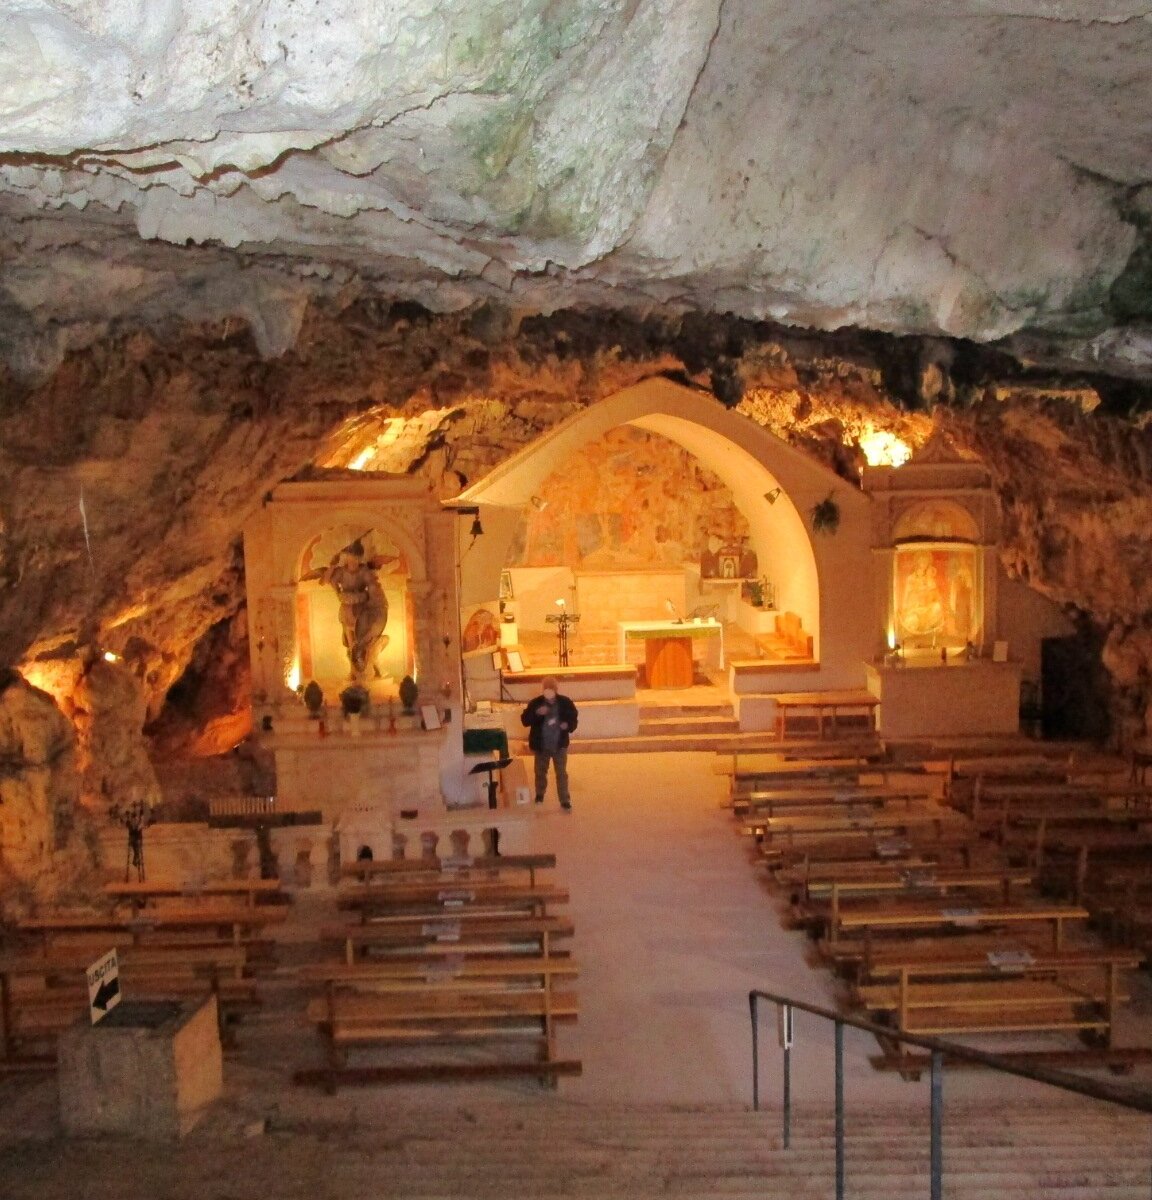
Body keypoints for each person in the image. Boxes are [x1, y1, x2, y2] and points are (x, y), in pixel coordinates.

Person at [302, 537, 398, 682]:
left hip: (361, 609)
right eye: (350, 557)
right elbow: (325, 581)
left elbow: (372, 586)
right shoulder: (340, 572)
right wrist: (332, 567)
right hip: (346, 611)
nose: (353, 561)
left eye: (356, 558)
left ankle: (369, 667)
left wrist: (367, 598)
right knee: (350, 643)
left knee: (365, 641)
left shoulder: (364, 571)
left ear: (359, 558)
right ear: (346, 557)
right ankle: (353, 672)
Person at [520, 676, 578, 811]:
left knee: (561, 773)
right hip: (541, 745)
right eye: (547, 689)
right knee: (540, 771)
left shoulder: (565, 702)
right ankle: (540, 794)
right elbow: (525, 720)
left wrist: (567, 725)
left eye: (551, 689)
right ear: (543, 690)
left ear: (556, 690)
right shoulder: (536, 703)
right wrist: (537, 713)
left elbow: (573, 718)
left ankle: (564, 799)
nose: (549, 692)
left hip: (559, 744)